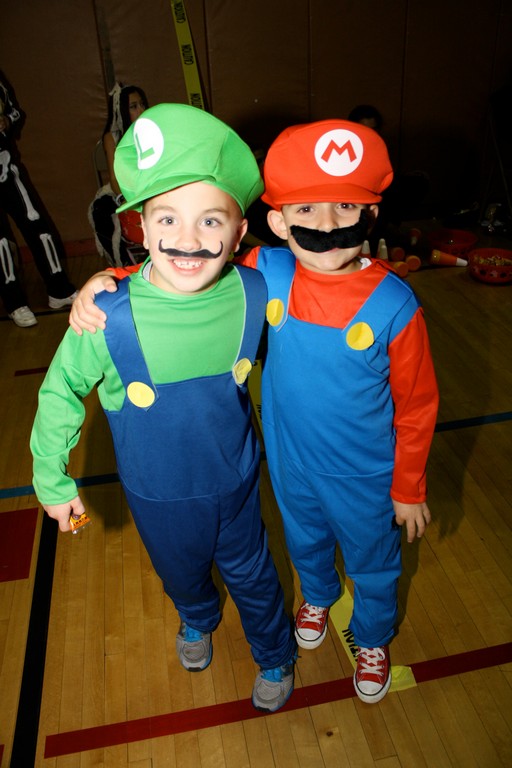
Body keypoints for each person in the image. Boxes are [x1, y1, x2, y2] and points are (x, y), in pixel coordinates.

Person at [70, 118, 439, 706]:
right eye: (307, 210)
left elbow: (418, 404)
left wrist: (409, 487)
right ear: (276, 222)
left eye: (345, 206)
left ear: (371, 215)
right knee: (305, 542)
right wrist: (108, 280)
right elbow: (187, 263)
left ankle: (371, 635)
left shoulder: (395, 303)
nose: (326, 226)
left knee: (373, 558)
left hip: (366, 473)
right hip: (288, 464)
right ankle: (316, 595)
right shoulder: (268, 271)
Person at [31, 103, 297, 714]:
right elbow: (60, 390)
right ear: (141, 229)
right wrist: (51, 476)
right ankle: (198, 618)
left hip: (234, 485)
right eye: (167, 219)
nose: (187, 240)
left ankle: (276, 651)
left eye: (211, 221)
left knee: (255, 577)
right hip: (156, 494)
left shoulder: (256, 289)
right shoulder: (107, 314)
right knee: (180, 574)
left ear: (238, 232)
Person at [0, 73, 77, 327]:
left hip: (9, 170)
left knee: (38, 227)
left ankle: (59, 290)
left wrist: (6, 120)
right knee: (0, 241)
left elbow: (15, 112)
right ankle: (14, 303)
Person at [88, 83, 149, 267]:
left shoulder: (151, 129)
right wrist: (127, 198)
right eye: (133, 106)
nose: (141, 109)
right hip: (123, 188)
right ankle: (124, 268)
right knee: (102, 212)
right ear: (122, 109)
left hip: (150, 184)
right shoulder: (112, 137)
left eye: (142, 104)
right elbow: (115, 180)